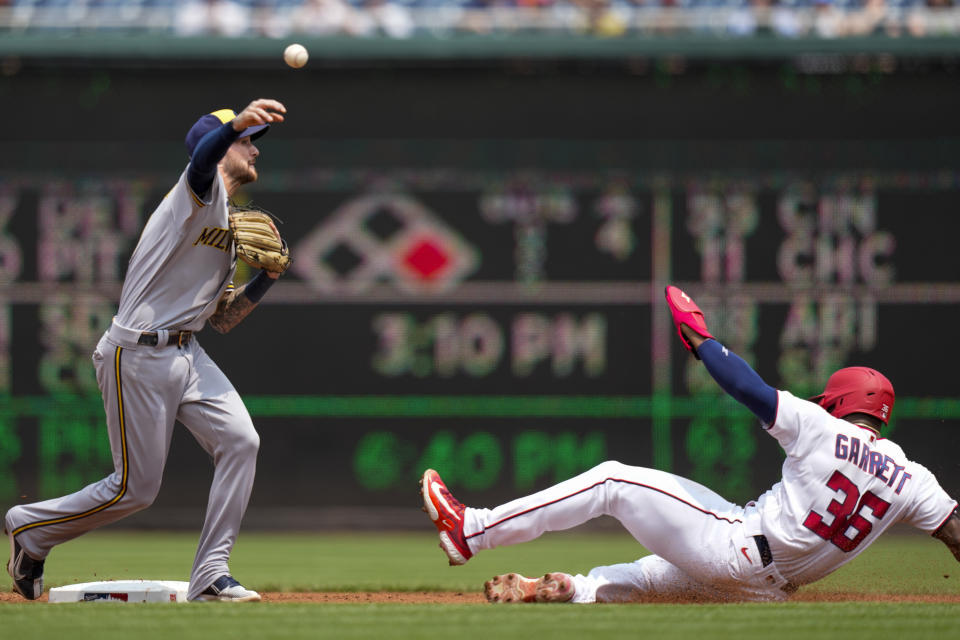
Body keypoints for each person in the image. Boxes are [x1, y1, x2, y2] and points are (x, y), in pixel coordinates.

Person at [420, 285, 960, 603]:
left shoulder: (823, 428)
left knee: (611, 480)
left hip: (737, 550)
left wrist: (701, 340)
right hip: (768, 590)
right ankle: (574, 591)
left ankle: (471, 531)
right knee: (646, 576)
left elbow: (748, 388)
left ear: (839, 403)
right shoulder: (912, 478)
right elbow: (956, 533)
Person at [5, 98, 289, 602]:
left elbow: (221, 320)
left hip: (188, 354)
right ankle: (29, 527)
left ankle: (212, 573)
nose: (254, 150)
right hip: (135, 353)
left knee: (242, 441)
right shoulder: (195, 194)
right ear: (223, 146)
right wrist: (234, 124)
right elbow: (203, 159)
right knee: (134, 490)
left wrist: (265, 281)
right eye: (247, 141)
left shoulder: (225, 229)